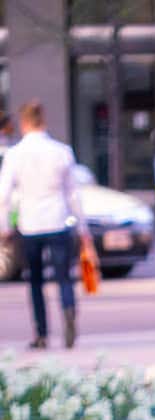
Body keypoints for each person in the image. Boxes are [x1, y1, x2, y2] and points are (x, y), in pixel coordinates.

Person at [0, 101, 93, 351]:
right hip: (58, 220)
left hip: (30, 224)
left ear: (24, 123)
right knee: (64, 276)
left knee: (36, 281)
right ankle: (68, 309)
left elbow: (4, 195)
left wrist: (4, 227)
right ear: (43, 121)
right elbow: (73, 193)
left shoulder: (15, 154)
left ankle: (41, 334)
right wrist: (83, 229)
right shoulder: (61, 151)